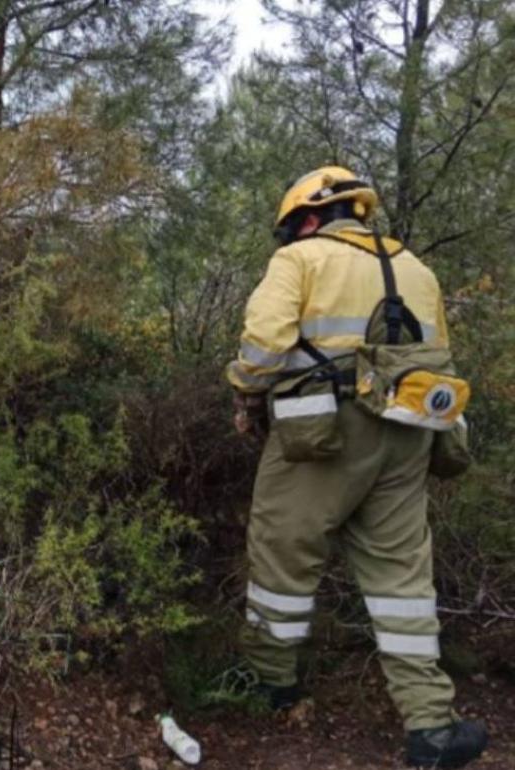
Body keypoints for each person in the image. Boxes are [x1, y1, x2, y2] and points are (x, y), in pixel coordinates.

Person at [226, 166, 487, 768]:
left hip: (322, 431)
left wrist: (244, 390)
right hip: (408, 435)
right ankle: (431, 727)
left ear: (309, 218)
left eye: (292, 229)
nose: (290, 239)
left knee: (282, 551)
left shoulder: (301, 259)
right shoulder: (418, 269)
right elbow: (440, 356)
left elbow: (263, 347)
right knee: (401, 576)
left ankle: (270, 684)